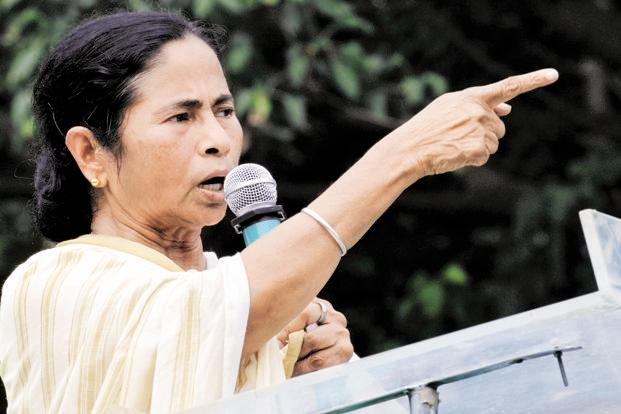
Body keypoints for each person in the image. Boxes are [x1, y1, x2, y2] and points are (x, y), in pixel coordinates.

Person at [0, 9, 558, 414]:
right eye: (181, 117)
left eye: (224, 111)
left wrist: (327, 383)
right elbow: (205, 318)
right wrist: (405, 152)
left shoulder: (258, 302)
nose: (219, 139)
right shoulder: (51, 284)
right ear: (90, 153)